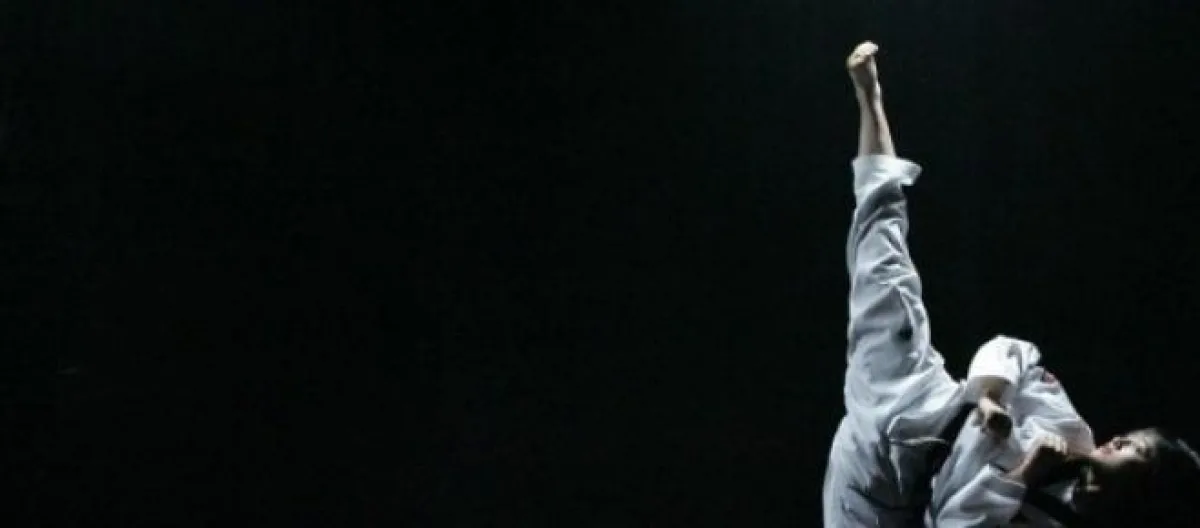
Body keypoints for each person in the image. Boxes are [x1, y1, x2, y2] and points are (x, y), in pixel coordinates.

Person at [822, 41, 1200, 527]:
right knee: (883, 260)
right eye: (1130, 436)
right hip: (920, 405)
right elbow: (1014, 350)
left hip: (872, 502)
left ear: (1143, 489)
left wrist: (1024, 474)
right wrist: (991, 398)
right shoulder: (1068, 428)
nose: (1119, 440)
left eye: (1136, 451)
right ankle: (870, 98)